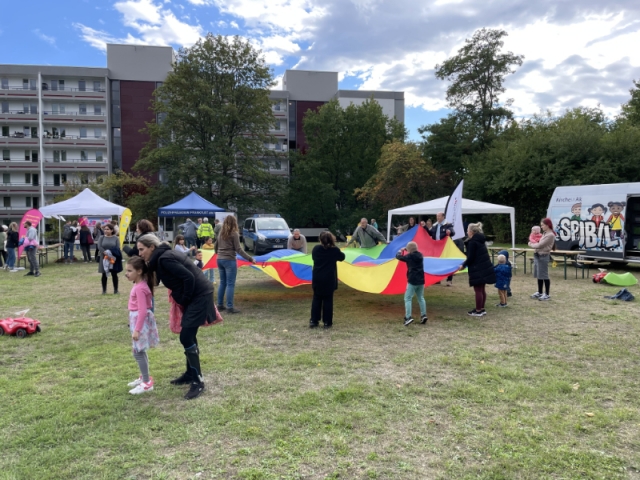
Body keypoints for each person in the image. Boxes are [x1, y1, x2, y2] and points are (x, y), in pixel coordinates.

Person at [136, 234, 221, 400]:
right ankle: (190, 374)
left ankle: (198, 381)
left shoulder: (165, 259)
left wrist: (184, 298)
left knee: (186, 336)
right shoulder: (161, 258)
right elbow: (158, 280)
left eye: (142, 249)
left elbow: (188, 277)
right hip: (195, 295)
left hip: (200, 295)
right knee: (189, 335)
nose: (140, 253)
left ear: (152, 247)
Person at [125, 256, 159, 395]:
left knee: (138, 352)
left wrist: (137, 330)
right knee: (138, 351)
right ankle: (144, 377)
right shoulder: (139, 285)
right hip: (136, 320)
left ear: (139, 271)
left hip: (140, 322)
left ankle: (146, 383)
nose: (126, 274)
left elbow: (143, 311)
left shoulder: (140, 288)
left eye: (129, 271)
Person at [215, 215, 256, 314]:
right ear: (234, 223)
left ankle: (219, 305)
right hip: (229, 260)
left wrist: (218, 253)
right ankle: (229, 307)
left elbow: (216, 245)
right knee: (230, 284)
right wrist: (250, 258)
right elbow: (239, 249)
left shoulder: (220, 233)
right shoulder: (234, 234)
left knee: (223, 282)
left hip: (220, 259)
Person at [310, 231, 346, 329]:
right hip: (329, 278)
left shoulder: (316, 249)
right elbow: (342, 257)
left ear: (320, 239)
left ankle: (314, 321)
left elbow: (313, 258)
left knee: (316, 298)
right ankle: (327, 322)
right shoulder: (334, 250)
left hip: (317, 277)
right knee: (328, 300)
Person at [460, 222, 495, 317]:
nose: (467, 232)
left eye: (467, 230)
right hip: (484, 267)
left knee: (478, 290)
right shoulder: (480, 240)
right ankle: (481, 308)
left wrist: (463, 265)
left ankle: (478, 310)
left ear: (471, 232)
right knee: (482, 289)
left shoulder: (472, 242)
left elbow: (470, 257)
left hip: (477, 268)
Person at [396, 241, 428, 326]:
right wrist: (407, 249)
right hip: (421, 280)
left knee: (408, 298)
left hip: (412, 280)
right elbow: (412, 252)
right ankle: (424, 315)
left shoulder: (409, 256)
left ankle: (408, 317)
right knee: (421, 298)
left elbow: (398, 257)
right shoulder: (420, 255)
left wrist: (401, 250)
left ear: (409, 249)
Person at [529, 217, 555, 301]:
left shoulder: (550, 235)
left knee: (544, 275)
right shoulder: (544, 233)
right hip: (537, 255)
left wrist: (530, 244)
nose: (541, 227)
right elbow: (538, 243)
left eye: (542, 225)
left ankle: (547, 294)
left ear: (547, 225)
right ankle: (540, 292)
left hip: (543, 256)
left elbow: (540, 245)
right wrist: (534, 244)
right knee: (539, 275)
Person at [429, 212, 455, 286]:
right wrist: (424, 227)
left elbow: (453, 232)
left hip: (445, 247)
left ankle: (449, 280)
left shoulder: (448, 224)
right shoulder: (435, 225)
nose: (438, 218)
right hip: (437, 247)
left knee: (448, 262)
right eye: (437, 216)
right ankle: (437, 279)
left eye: (439, 216)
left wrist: (449, 231)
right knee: (437, 263)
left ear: (443, 217)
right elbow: (429, 233)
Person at [98, 223, 122, 294]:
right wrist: (104, 252)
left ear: (112, 230)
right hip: (104, 258)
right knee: (104, 274)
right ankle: (104, 290)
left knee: (114, 274)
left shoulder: (115, 238)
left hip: (112, 257)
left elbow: (117, 247)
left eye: (107, 229)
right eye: (105, 229)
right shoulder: (101, 237)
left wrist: (110, 253)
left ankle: (116, 290)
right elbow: (99, 246)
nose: (106, 231)